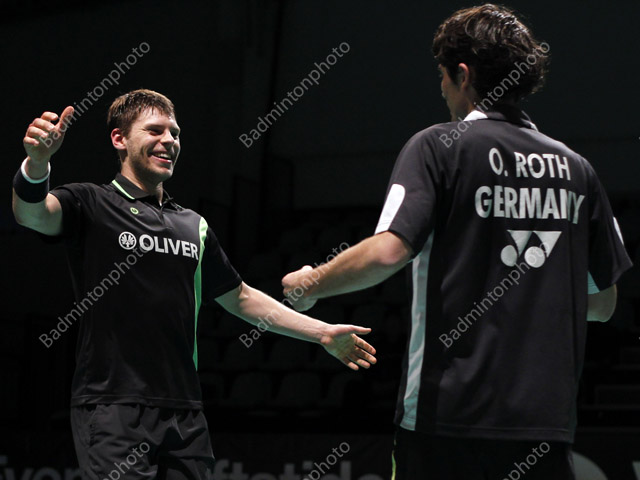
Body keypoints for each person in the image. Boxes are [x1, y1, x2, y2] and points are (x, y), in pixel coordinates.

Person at [282, 4, 632, 479]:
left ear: (463, 75)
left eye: (443, 76)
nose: (442, 88)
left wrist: (311, 282)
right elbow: (603, 303)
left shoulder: (437, 147)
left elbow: (388, 251)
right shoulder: (577, 169)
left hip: (447, 421)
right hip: (543, 427)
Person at [12, 89, 376, 478]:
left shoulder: (193, 225)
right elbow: (32, 214)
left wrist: (322, 333)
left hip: (184, 412)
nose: (169, 140)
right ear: (119, 139)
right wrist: (37, 163)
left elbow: (240, 297)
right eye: (155, 130)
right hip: (112, 404)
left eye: (175, 133)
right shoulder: (91, 204)